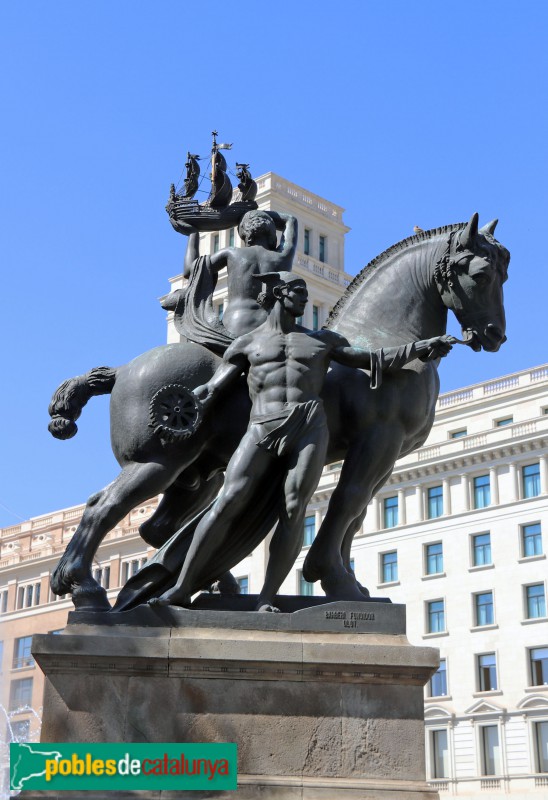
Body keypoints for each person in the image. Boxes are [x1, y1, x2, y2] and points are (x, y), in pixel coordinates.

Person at [150, 272, 455, 612]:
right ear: (278, 295)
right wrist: (181, 419)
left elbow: (372, 360)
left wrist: (421, 348)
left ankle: (267, 597)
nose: (304, 299)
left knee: (294, 510)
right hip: (262, 426)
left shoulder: (323, 340)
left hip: (309, 425)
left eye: (305, 294)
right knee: (227, 501)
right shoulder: (247, 344)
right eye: (298, 292)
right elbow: (213, 389)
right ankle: (182, 586)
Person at [162, 210, 298, 341]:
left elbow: (189, 271)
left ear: (245, 233)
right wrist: (256, 213)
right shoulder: (282, 257)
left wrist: (193, 233)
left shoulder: (232, 253)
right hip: (271, 327)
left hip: (236, 323)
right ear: (272, 233)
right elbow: (291, 219)